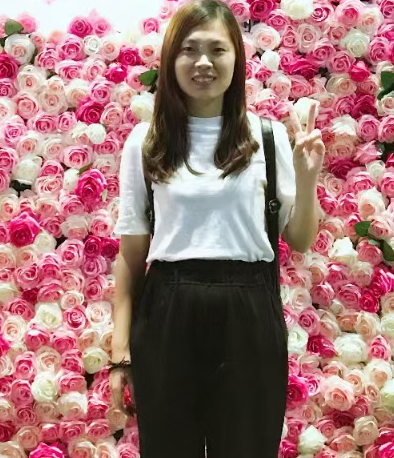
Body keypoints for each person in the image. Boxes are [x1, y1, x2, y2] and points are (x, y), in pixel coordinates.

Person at [109, 0, 325, 457]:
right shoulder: (147, 142)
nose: (203, 62)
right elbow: (131, 257)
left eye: (217, 49)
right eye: (189, 49)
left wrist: (308, 180)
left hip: (249, 312)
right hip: (167, 311)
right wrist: (120, 350)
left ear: (236, 60)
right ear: (171, 60)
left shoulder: (268, 137)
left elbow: (300, 239)